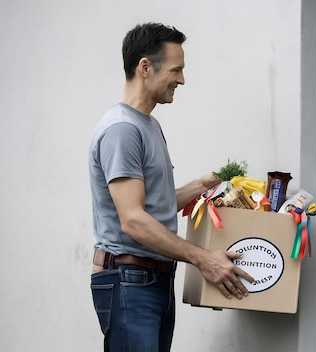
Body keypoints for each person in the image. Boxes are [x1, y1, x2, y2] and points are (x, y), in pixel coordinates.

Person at [88, 22, 254, 351]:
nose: (182, 79)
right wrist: (204, 259)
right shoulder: (122, 130)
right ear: (145, 67)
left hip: (151, 281)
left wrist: (199, 186)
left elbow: (152, 206)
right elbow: (133, 220)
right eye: (176, 70)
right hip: (130, 280)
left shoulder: (147, 125)